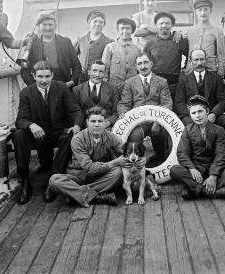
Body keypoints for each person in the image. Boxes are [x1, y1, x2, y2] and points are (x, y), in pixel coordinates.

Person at [13, 61, 83, 204]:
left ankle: (53, 180)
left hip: (56, 132)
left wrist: (76, 126)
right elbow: (20, 120)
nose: (44, 80)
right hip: (37, 135)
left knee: (70, 136)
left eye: (47, 76)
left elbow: (76, 110)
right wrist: (31, 125)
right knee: (18, 135)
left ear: (52, 75)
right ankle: (25, 181)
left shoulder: (61, 88)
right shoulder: (26, 92)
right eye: (40, 77)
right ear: (33, 76)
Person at [46, 107, 138, 207]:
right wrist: (115, 162)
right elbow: (89, 169)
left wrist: (129, 160)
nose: (97, 124)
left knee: (119, 172)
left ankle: (76, 194)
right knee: (54, 180)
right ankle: (96, 197)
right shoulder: (78, 139)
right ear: (87, 122)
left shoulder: (111, 137)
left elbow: (126, 154)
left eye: (100, 121)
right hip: (78, 176)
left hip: (100, 176)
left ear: (105, 122)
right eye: (93, 121)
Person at [170, 95, 225, 201]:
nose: (197, 116)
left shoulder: (219, 130)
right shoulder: (187, 130)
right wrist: (192, 168)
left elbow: (221, 154)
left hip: (213, 168)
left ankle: (194, 189)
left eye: (200, 111)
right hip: (196, 171)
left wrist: (213, 176)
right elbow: (182, 153)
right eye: (193, 113)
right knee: (174, 170)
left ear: (207, 111)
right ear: (190, 115)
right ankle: (220, 192)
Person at [175, 49, 225, 156]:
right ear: (190, 61)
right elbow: (179, 103)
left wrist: (213, 114)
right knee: (189, 124)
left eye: (202, 59)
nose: (199, 63)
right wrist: (194, 115)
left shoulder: (216, 78)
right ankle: (196, 157)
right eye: (196, 60)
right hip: (191, 116)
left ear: (206, 60)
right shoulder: (184, 79)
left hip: (211, 114)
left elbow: (222, 100)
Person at [118, 52, 173, 164]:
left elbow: (167, 103)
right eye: (140, 63)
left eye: (145, 62)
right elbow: (124, 103)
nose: (143, 66)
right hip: (138, 123)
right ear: (136, 66)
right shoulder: (129, 83)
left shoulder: (162, 82)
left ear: (151, 64)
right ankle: (136, 163)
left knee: (160, 133)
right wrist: (123, 113)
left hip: (157, 121)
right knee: (135, 135)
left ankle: (160, 158)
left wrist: (158, 121)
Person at [20, 13, 81, 87]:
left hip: (64, 85)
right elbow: (24, 70)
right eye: (44, 25)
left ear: (55, 26)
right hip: (40, 85)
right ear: (39, 26)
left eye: (50, 24)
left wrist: (71, 82)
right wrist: (34, 86)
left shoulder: (66, 42)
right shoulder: (32, 44)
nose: (48, 28)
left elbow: (76, 65)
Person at [143, 12, 188, 101]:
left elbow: (190, 56)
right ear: (156, 25)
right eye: (161, 23)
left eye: (167, 23)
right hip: (155, 83)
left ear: (172, 25)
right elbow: (144, 62)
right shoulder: (150, 43)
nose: (164, 25)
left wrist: (185, 69)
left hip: (174, 83)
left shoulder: (179, 40)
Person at [186, 0, 225, 79]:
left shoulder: (217, 31)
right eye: (200, 10)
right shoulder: (190, 31)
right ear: (196, 12)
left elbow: (221, 55)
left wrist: (220, 74)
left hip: (210, 70)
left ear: (210, 11)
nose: (203, 13)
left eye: (206, 9)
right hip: (192, 70)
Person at [72, 60, 119, 129]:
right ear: (88, 72)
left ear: (105, 74)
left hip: (106, 126)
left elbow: (116, 112)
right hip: (85, 127)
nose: (97, 75)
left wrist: (107, 123)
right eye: (94, 71)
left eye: (101, 72)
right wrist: (78, 125)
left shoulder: (112, 89)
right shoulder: (77, 90)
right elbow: (76, 112)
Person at [102, 18, 141, 94]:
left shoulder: (137, 50)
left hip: (131, 88)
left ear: (132, 30)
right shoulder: (110, 47)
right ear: (118, 30)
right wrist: (105, 86)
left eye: (128, 28)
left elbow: (139, 71)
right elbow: (104, 69)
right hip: (113, 88)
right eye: (122, 28)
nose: (125, 31)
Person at [75, 10, 114, 84]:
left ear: (104, 24)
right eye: (95, 21)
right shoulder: (81, 39)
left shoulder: (109, 42)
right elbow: (72, 57)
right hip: (82, 78)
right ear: (89, 23)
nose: (97, 24)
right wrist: (79, 68)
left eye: (101, 22)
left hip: (99, 78)